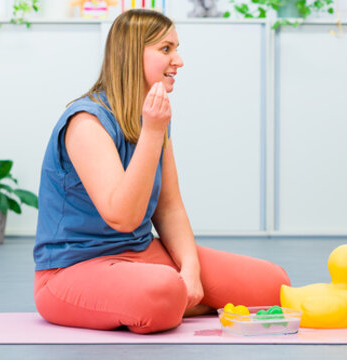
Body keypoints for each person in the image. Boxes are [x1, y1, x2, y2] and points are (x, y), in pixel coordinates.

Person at [33, 9, 289, 334]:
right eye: (166, 49)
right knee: (162, 292)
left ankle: (179, 300)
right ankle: (177, 300)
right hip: (73, 270)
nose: (178, 60)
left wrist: (192, 271)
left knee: (273, 285)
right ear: (128, 54)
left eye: (176, 48)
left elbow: (169, 208)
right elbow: (123, 217)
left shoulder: (152, 117)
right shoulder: (87, 123)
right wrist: (153, 132)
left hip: (144, 255)